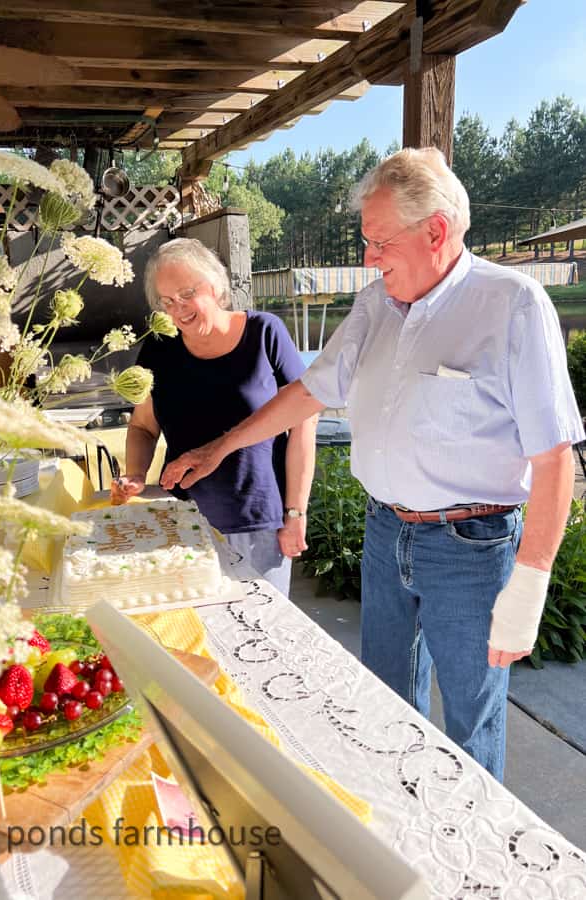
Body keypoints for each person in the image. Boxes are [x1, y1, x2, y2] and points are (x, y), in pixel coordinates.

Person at [160, 148, 585, 781]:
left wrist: (529, 586)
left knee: (471, 717)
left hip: (470, 547)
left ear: (436, 231)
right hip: (386, 532)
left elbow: (553, 459)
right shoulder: (375, 303)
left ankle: (469, 867)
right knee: (384, 704)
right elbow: (308, 394)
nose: (368, 257)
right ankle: (400, 834)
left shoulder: (512, 304)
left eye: (379, 241)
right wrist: (216, 448)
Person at [110, 238, 317, 597]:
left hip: (258, 521)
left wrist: (296, 514)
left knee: (262, 633)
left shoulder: (264, 333)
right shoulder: (159, 347)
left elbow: (305, 422)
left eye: (187, 294)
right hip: (181, 523)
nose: (179, 310)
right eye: (167, 301)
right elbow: (143, 426)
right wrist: (135, 474)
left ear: (216, 285)